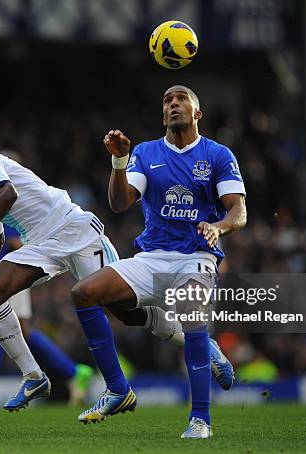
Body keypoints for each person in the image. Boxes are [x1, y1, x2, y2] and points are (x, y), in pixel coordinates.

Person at [0, 140, 183, 416]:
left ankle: (191, 340)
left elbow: (7, 193)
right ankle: (34, 376)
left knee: (125, 311)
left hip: (73, 228)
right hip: (41, 244)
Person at [71, 85, 247, 437]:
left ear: (197, 113)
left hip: (196, 255)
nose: (174, 104)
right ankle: (118, 389)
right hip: (152, 256)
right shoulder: (147, 152)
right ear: (163, 114)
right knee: (84, 292)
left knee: (192, 314)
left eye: (182, 99)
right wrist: (119, 162)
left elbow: (238, 211)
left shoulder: (217, 154)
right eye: (168, 101)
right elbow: (120, 203)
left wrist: (219, 227)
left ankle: (200, 420)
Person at [0, 224, 94, 415]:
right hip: (6, 271)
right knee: (22, 332)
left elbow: (15, 241)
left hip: (2, 274)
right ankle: (74, 372)